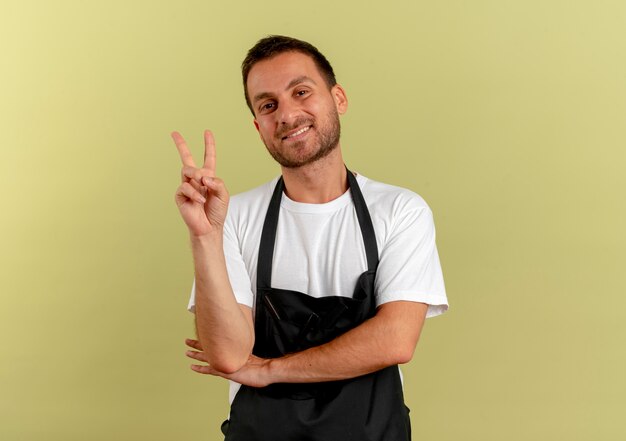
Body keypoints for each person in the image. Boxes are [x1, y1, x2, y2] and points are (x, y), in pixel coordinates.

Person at [172, 35, 448, 441]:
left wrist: (268, 369)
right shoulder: (232, 216)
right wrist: (205, 237)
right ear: (258, 126)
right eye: (268, 105)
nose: (287, 113)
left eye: (301, 91)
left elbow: (395, 340)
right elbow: (229, 355)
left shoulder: (400, 211)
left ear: (338, 98)